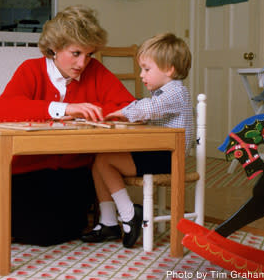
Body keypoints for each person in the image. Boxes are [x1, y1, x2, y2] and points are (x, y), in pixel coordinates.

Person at [0, 5, 135, 246]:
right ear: (55, 47)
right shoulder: (31, 69)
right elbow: (2, 110)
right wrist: (63, 109)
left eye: (89, 54)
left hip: (74, 173)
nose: (83, 63)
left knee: (53, 235)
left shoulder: (96, 72)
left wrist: (98, 110)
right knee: (13, 231)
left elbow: (129, 106)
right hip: (29, 169)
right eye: (76, 53)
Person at [81, 32, 194, 248]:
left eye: (147, 69)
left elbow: (147, 108)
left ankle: (129, 213)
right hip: (159, 153)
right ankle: (108, 222)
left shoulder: (176, 92)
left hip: (168, 157)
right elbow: (144, 107)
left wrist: (122, 113)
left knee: (105, 161)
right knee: (98, 162)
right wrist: (122, 112)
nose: (142, 75)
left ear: (169, 69)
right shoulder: (163, 93)